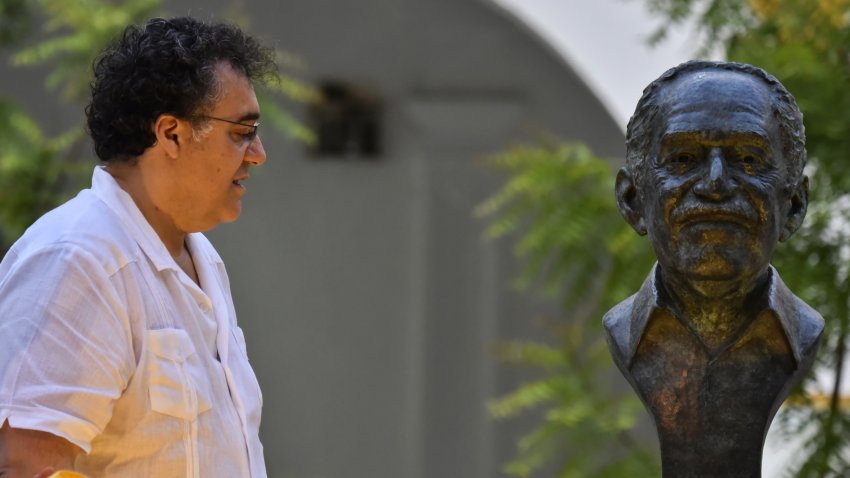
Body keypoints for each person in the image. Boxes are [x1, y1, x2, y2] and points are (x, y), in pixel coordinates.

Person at [0, 16, 274, 477]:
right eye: (241, 132)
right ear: (171, 134)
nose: (258, 153)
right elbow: (24, 467)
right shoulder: (79, 258)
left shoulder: (200, 257)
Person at [604, 61, 824, 477]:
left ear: (793, 205)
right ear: (633, 201)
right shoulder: (623, 332)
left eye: (749, 159)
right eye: (684, 158)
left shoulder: (803, 335)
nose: (717, 183)